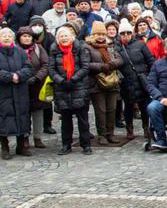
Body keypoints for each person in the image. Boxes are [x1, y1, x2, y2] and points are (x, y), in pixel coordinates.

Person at [48, 24, 93, 155]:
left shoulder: (81, 48)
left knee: (83, 119)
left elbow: (85, 67)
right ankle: (66, 144)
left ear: (72, 37)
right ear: (57, 38)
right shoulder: (54, 50)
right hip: (62, 88)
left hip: (79, 86)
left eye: (66, 35)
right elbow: (51, 69)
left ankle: (86, 145)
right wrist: (61, 80)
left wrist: (73, 79)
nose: (64, 38)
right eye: (61, 36)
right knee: (66, 120)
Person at [83, 21, 125, 146]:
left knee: (112, 109)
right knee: (100, 110)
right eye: (98, 34)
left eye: (102, 34)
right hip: (96, 83)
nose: (101, 36)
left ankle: (110, 133)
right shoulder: (87, 47)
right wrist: (102, 67)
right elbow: (86, 64)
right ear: (93, 35)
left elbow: (120, 59)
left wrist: (112, 64)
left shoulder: (109, 46)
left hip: (111, 82)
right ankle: (101, 134)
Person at [115, 18, 154, 142]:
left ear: (132, 33)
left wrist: (149, 77)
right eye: (123, 33)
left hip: (141, 80)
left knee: (144, 106)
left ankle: (146, 128)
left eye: (128, 33)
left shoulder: (140, 44)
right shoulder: (117, 48)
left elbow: (150, 61)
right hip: (126, 82)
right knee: (128, 107)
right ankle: (129, 129)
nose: (125, 36)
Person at [0, 27, 32, 159]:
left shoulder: (20, 52)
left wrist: (18, 75)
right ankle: (5, 147)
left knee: (22, 116)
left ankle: (21, 146)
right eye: (3, 35)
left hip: (20, 90)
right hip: (3, 92)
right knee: (3, 118)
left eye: (9, 35)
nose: (7, 37)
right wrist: (10, 76)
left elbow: (28, 67)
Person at [16, 26, 49, 149]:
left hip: (37, 85)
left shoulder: (38, 48)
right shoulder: (15, 50)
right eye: (24, 36)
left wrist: (37, 78)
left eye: (29, 36)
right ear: (19, 38)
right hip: (20, 86)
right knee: (23, 113)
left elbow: (45, 65)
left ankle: (37, 137)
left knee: (38, 112)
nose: (26, 38)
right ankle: (24, 137)